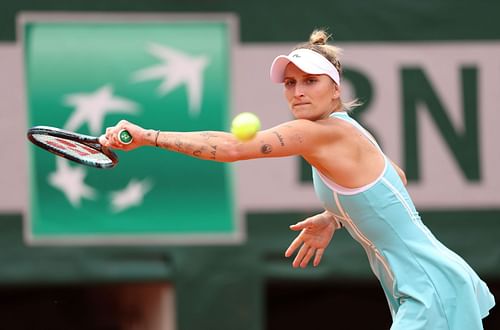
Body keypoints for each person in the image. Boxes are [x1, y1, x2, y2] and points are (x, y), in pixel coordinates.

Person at [100, 29, 495, 329]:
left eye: (310, 81)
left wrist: (149, 137)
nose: (298, 92)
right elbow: (398, 178)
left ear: (335, 89)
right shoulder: (347, 130)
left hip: (432, 287)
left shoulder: (318, 133)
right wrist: (336, 216)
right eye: (290, 83)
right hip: (427, 284)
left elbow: (233, 149)